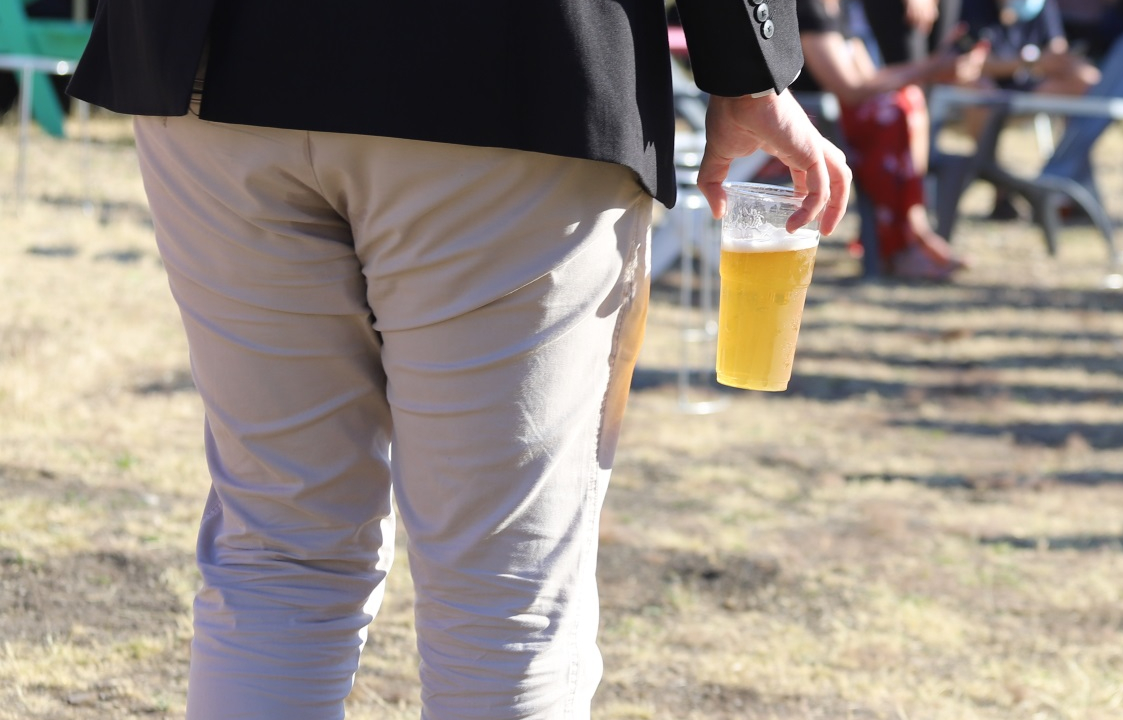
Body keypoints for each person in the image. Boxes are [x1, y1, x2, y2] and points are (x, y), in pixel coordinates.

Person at [65, 2, 850, 718]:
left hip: (208, 64)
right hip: (510, 63)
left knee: (277, 552)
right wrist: (750, 71)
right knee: (503, 593)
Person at [795, 0, 987, 280]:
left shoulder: (840, 8)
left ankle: (913, 230)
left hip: (842, 124)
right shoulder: (808, 8)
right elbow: (849, 88)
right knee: (894, 112)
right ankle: (901, 243)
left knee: (906, 100)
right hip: (812, 126)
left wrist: (936, 67)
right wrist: (933, 67)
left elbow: (870, 78)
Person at [956, 0, 1102, 219]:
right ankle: (1000, 187)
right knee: (979, 92)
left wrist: (1048, 62)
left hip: (1031, 86)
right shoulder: (973, 7)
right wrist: (1027, 63)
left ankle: (1065, 179)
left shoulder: (1039, 6)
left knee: (1086, 78)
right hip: (986, 89)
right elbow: (969, 63)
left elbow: (1057, 52)